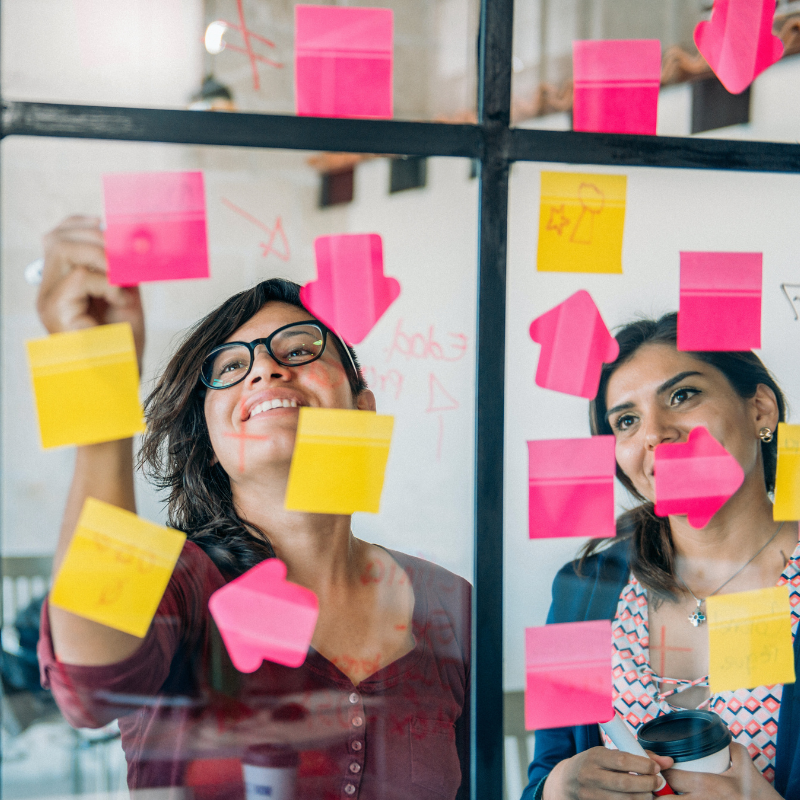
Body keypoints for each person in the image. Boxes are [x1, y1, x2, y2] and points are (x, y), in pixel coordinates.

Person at [34, 216, 470, 800]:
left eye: (299, 349)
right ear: (209, 442)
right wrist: (102, 382)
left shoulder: (450, 603)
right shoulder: (177, 579)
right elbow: (91, 688)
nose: (266, 367)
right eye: (231, 368)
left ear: (361, 407)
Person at [523, 312, 800, 800]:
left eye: (682, 395)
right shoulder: (580, 588)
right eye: (626, 421)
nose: (655, 433)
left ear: (760, 409)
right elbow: (542, 774)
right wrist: (557, 789)